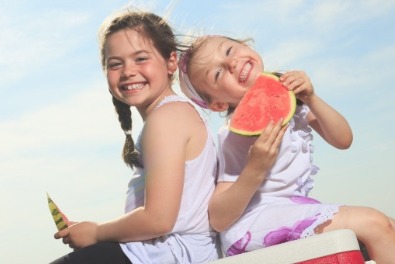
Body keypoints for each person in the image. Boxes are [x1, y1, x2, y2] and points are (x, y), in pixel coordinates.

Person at [178, 35, 395, 263]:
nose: (230, 64)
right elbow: (219, 218)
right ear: (219, 104)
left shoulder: (290, 98)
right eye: (218, 73)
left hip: (291, 210)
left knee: (388, 225)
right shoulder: (234, 136)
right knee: (374, 222)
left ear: (246, 46)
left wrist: (311, 98)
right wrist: (255, 168)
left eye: (229, 50)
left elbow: (343, 140)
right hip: (253, 225)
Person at [50, 10, 219, 264]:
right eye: (115, 63)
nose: (128, 71)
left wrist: (96, 232)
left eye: (140, 58)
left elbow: (158, 218)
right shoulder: (175, 114)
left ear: (171, 61)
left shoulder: (166, 119)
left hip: (169, 254)